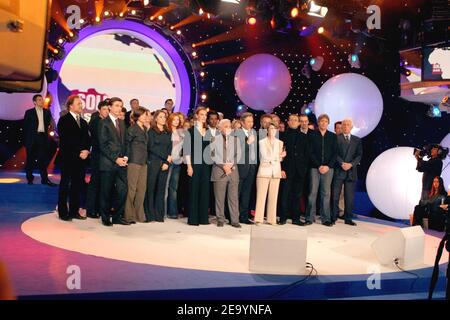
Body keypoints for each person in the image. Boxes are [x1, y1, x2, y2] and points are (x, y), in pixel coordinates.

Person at [56, 95, 91, 221]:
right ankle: (63, 212)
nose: (81, 105)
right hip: (68, 158)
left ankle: (74, 211)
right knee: (65, 185)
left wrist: (86, 150)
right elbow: (66, 140)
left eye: (81, 104)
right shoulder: (64, 120)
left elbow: (87, 139)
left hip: (81, 159)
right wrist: (79, 152)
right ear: (70, 105)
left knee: (77, 185)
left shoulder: (84, 122)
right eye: (78, 103)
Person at [98, 97, 130, 227]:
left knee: (123, 190)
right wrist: (115, 158)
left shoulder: (122, 123)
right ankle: (105, 217)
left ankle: (117, 217)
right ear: (110, 107)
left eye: (121, 106)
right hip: (108, 163)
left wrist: (126, 156)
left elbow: (126, 142)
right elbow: (103, 145)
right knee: (106, 192)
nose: (119, 108)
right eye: (116, 105)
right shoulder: (103, 123)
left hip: (122, 163)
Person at [306, 114, 337, 227]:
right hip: (315, 168)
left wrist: (328, 166)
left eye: (325, 121)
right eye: (321, 121)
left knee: (326, 194)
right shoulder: (312, 135)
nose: (323, 123)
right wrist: (319, 165)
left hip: (328, 169)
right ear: (318, 123)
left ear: (328, 123)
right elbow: (310, 153)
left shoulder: (333, 136)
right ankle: (309, 217)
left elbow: (335, 154)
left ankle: (326, 219)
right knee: (312, 193)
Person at [210, 119, 242, 228]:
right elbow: (213, 155)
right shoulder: (214, 139)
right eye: (225, 126)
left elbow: (238, 155)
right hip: (219, 171)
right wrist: (223, 165)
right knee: (219, 197)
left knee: (233, 197)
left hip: (233, 172)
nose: (228, 128)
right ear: (220, 128)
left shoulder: (236, 140)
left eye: (229, 126)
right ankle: (220, 219)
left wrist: (231, 164)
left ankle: (234, 220)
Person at [331, 118, 362, 226]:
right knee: (335, 196)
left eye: (348, 125)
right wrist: (342, 163)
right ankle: (333, 217)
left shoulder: (357, 140)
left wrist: (351, 164)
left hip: (351, 172)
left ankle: (348, 218)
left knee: (349, 197)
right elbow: (334, 153)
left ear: (351, 127)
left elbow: (359, 155)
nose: (345, 126)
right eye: (344, 124)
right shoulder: (335, 138)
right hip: (339, 170)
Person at [279, 114, 309, 226]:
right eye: (291, 120)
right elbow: (280, 154)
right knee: (285, 194)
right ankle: (283, 218)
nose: (293, 122)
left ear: (299, 122)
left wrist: (304, 168)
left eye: (296, 120)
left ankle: (296, 219)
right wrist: (281, 169)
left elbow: (307, 154)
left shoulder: (304, 136)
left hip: (299, 171)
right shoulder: (282, 135)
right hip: (286, 170)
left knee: (297, 195)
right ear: (288, 122)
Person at [184, 107, 212, 225]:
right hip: (194, 163)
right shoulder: (190, 131)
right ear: (196, 115)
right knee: (194, 190)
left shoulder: (208, 131)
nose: (204, 117)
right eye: (202, 114)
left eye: (205, 115)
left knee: (205, 190)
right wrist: (189, 166)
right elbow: (187, 150)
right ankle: (193, 219)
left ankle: (203, 218)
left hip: (206, 164)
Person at [255, 122, 285, 225]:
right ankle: (258, 218)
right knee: (261, 196)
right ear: (267, 130)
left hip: (275, 171)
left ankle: (271, 219)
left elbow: (280, 159)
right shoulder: (262, 142)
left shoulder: (280, 142)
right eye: (270, 129)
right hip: (264, 171)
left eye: (274, 129)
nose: (272, 131)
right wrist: (278, 156)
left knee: (273, 196)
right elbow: (264, 157)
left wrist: (281, 156)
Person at [23, 94, 57, 186]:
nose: (41, 101)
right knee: (30, 160)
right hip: (32, 139)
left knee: (42, 160)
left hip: (42, 138)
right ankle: (30, 179)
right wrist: (26, 141)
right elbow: (25, 127)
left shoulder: (47, 112)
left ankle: (44, 180)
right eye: (39, 100)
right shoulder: (29, 112)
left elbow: (49, 126)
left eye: (42, 99)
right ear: (34, 102)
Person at [145, 110, 172, 222]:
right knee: (151, 188)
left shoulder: (167, 131)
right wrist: (164, 158)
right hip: (153, 162)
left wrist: (167, 161)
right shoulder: (151, 131)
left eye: (164, 117)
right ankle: (150, 215)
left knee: (161, 189)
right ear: (155, 118)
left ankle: (158, 215)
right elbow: (150, 147)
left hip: (164, 164)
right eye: (160, 117)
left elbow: (169, 147)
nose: (163, 119)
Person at [85, 99, 110, 219]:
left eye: (107, 109)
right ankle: (91, 209)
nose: (106, 111)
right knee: (95, 182)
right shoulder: (95, 122)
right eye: (104, 109)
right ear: (99, 110)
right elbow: (98, 140)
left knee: (103, 183)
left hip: (106, 157)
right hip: (97, 155)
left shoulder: (108, 122)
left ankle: (100, 209)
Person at [124, 107, 149, 224]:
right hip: (133, 161)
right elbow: (127, 144)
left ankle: (139, 214)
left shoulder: (144, 128)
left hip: (143, 161)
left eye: (146, 115)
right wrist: (126, 157)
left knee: (142, 189)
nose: (145, 117)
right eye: (143, 115)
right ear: (138, 116)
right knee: (131, 189)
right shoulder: (132, 129)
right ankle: (128, 215)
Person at [235, 112, 258, 224]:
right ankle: (234, 216)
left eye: (252, 121)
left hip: (251, 167)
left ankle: (243, 217)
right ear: (242, 122)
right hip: (240, 167)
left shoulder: (253, 133)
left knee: (246, 193)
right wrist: (248, 143)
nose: (251, 123)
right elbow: (237, 152)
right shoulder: (237, 133)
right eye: (248, 121)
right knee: (237, 193)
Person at [166, 112, 184, 219]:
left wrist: (181, 158)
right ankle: (162, 212)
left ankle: (172, 212)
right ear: (170, 120)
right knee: (165, 188)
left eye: (178, 120)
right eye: (174, 119)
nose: (176, 121)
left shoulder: (182, 133)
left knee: (174, 188)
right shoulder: (166, 131)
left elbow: (185, 148)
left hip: (177, 163)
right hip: (168, 162)